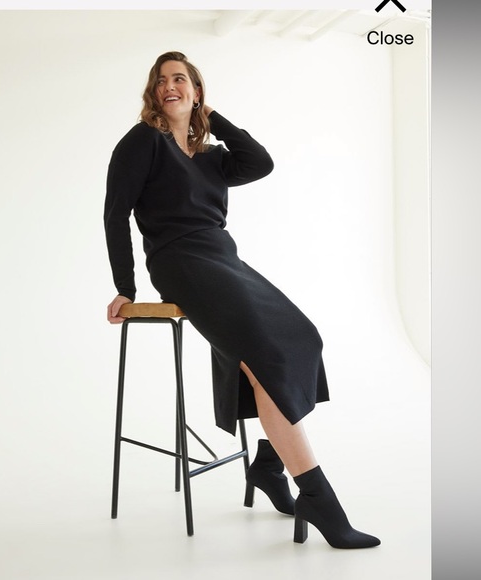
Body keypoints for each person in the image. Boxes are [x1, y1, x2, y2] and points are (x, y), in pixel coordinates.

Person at [104, 51, 380, 549]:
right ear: (152, 92)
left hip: (223, 258)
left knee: (303, 338)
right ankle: (318, 497)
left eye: (180, 79)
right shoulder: (142, 141)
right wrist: (126, 285)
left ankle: (268, 465)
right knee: (264, 356)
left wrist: (209, 117)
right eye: (161, 80)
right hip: (179, 262)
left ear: (196, 91)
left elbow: (260, 162)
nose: (170, 86)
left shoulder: (213, 157)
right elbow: (114, 212)